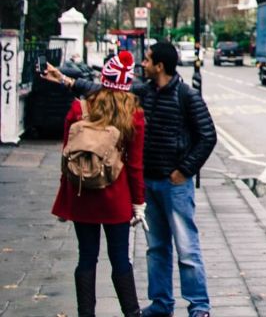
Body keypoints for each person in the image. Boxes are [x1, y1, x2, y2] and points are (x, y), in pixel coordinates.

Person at [48, 42, 217, 317]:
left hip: (173, 184)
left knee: (186, 249)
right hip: (138, 187)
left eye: (148, 60)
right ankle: (156, 306)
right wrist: (67, 80)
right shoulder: (139, 99)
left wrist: (184, 170)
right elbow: (106, 92)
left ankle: (199, 307)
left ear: (160, 66)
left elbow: (208, 136)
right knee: (153, 250)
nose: (143, 64)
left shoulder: (187, 96)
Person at [51, 50, 146, 317]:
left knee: (86, 257)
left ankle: (86, 314)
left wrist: (64, 200)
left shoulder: (79, 108)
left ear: (103, 80)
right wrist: (139, 203)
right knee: (120, 259)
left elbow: (66, 155)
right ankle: (132, 313)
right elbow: (135, 165)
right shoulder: (133, 116)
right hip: (116, 198)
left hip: (82, 196)